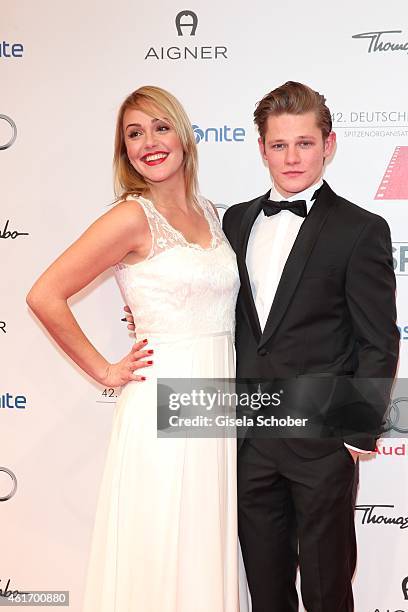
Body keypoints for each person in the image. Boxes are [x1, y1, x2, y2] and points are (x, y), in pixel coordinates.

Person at [26, 86, 248, 612]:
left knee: (200, 533)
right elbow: (44, 294)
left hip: (215, 400)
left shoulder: (213, 214)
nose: (149, 142)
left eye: (159, 127)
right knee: (161, 537)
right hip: (161, 399)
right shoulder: (130, 217)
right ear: (124, 151)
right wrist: (104, 369)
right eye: (134, 133)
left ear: (183, 135)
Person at [221, 81, 400, 611]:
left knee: (326, 591)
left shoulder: (360, 229)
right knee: (266, 593)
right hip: (250, 442)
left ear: (330, 144)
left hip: (322, 444)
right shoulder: (235, 221)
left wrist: (354, 432)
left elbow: (378, 339)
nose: (292, 156)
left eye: (304, 143)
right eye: (279, 145)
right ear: (261, 149)